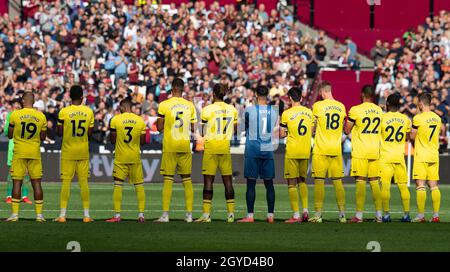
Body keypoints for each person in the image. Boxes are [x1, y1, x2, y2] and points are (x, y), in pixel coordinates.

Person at [155, 78, 197, 223]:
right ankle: (189, 215)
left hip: (170, 146)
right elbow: (194, 128)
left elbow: (159, 127)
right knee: (187, 180)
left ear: (172, 89)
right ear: (183, 89)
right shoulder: (190, 106)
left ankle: (165, 215)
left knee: (168, 180)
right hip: (184, 145)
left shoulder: (164, 105)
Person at [196, 84, 238, 223]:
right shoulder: (232, 109)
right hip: (225, 147)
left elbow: (202, 131)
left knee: (208, 181)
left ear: (214, 94)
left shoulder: (207, 110)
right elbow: (235, 129)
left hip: (211, 148)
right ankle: (231, 215)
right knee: (228, 182)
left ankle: (206, 215)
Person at [54, 85, 94, 223]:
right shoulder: (89, 112)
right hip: (83, 151)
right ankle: (87, 215)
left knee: (66, 183)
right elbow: (89, 133)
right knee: (84, 183)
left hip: (68, 152)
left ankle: (62, 215)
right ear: (82, 97)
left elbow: (59, 132)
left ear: (70, 97)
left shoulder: (64, 112)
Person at [238, 86, 278, 223]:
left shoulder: (249, 110)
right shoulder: (273, 111)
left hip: (253, 149)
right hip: (267, 148)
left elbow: (245, 125)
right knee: (269, 183)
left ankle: (250, 216)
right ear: (267, 95)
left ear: (255, 94)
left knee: (251, 183)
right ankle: (270, 215)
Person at [344, 85, 383, 223]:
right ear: (372, 96)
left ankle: (359, 216)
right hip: (375, 150)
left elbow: (347, 131)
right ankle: (379, 215)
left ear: (362, 95)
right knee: (374, 182)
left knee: (360, 182)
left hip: (361, 151)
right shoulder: (379, 110)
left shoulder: (355, 110)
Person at [309, 81, 347, 223]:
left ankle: (318, 215)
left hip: (321, 149)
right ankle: (342, 215)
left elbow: (313, 128)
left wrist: (313, 132)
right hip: (336, 149)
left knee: (319, 182)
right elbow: (343, 128)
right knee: (338, 183)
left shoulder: (317, 106)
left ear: (322, 92)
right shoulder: (341, 106)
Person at [6, 92, 47, 222]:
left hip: (19, 152)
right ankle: (39, 216)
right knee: (36, 183)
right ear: (34, 101)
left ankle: (14, 215)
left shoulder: (15, 114)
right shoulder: (41, 116)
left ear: (23, 101)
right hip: (34, 152)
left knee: (17, 182)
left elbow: (10, 135)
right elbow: (43, 137)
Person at [106, 98, 147, 223]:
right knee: (139, 186)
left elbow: (112, 140)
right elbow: (143, 141)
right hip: (135, 157)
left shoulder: (115, 120)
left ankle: (117, 215)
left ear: (123, 107)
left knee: (118, 185)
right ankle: (141, 215)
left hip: (121, 157)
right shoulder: (140, 120)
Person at [279, 87, 313, 223]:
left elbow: (282, 134)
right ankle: (305, 210)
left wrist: (289, 133)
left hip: (293, 150)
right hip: (305, 150)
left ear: (290, 99)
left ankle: (296, 215)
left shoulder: (286, 114)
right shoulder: (309, 112)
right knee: (302, 181)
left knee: (292, 183)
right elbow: (312, 129)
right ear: (301, 98)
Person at [410, 93, 445, 223]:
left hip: (422, 155)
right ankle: (435, 216)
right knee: (434, 185)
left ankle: (420, 216)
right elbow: (441, 131)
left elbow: (412, 137)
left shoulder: (418, 118)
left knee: (420, 184)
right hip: (434, 154)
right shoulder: (437, 118)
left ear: (420, 103)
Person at [379, 93, 411, 223]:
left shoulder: (382, 118)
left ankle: (386, 215)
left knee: (385, 186)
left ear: (387, 104)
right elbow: (407, 137)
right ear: (399, 105)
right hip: (399, 156)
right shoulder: (405, 119)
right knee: (403, 186)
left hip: (385, 156)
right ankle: (406, 214)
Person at [4, 98, 32, 205]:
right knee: (12, 173)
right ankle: (9, 196)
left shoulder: (25, 117)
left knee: (25, 173)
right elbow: (6, 132)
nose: (16, 108)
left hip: (24, 146)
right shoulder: (10, 116)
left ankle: (24, 196)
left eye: (18, 107)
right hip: (13, 147)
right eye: (14, 107)